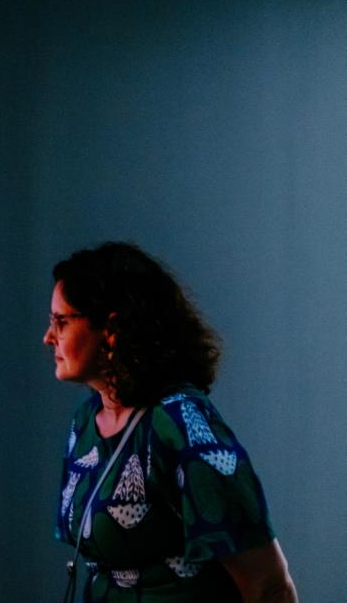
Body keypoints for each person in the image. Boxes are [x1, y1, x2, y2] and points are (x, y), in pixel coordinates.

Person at [45, 242, 297, 603]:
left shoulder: (179, 424)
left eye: (62, 322)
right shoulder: (84, 424)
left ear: (111, 328)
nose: (48, 337)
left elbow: (270, 586)